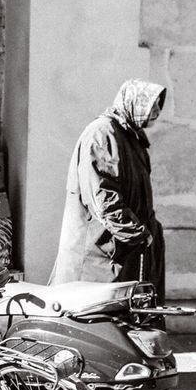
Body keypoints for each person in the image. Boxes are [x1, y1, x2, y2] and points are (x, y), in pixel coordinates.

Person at [49, 79, 167, 298]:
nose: (157, 111)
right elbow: (103, 199)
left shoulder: (131, 137)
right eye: (151, 105)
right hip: (99, 263)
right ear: (134, 102)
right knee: (99, 329)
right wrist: (138, 234)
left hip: (123, 256)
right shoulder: (102, 134)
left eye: (158, 105)